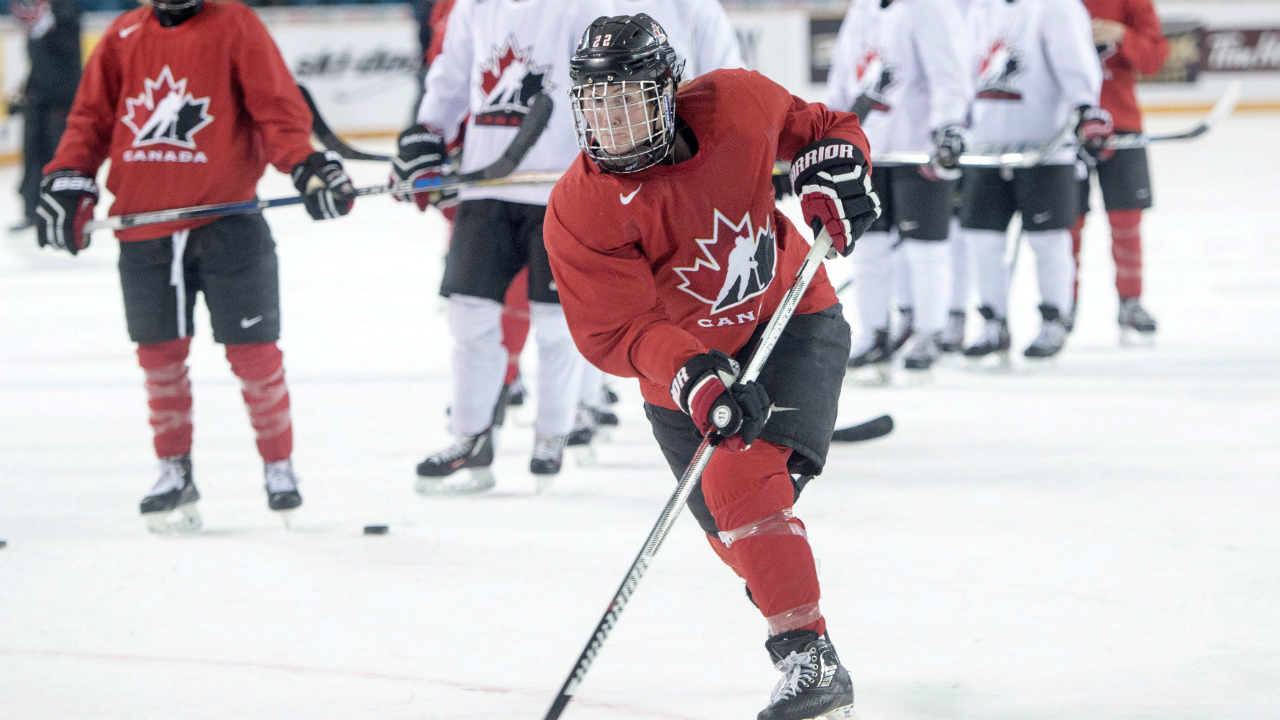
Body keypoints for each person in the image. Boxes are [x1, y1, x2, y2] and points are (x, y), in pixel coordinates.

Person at [543, 15, 880, 719]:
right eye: (596, 105)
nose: (612, 121)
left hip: (791, 316)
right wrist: (694, 373)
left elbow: (823, 128)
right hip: (682, 371)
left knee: (742, 479)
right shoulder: (581, 208)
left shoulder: (737, 103)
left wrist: (832, 173)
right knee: (739, 530)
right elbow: (620, 328)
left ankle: (809, 661)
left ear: (669, 91)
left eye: (629, 99)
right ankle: (798, 620)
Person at [37, 0, 357, 533]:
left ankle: (279, 465)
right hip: (143, 228)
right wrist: (70, 177)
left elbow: (277, 109)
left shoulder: (235, 24)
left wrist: (306, 165)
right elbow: (89, 121)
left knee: (255, 356)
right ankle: (173, 471)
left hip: (227, 221)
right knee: (160, 359)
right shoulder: (122, 36)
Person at [393, 0, 611, 491]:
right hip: (485, 185)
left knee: (556, 323)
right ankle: (471, 439)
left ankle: (550, 436)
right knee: (467, 315)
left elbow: (604, 86)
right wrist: (426, 133)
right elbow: (449, 77)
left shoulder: (583, 8)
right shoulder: (474, 6)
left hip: (559, 188)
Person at [566, 0, 746, 446]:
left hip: (685, 172)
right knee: (605, 299)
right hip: (606, 176)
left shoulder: (694, 8)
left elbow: (728, 86)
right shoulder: (581, 10)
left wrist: (737, 158)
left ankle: (762, 386)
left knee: (699, 290)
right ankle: (588, 396)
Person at [825, 0, 972, 377]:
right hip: (868, 150)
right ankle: (875, 332)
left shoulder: (929, 8)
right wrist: (829, 131)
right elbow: (843, 78)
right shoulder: (862, 10)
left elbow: (949, 72)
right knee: (869, 248)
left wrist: (949, 126)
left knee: (925, 250)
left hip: (916, 149)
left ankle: (928, 332)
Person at [960, 0, 1110, 362]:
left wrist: (1086, 108)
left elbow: (1076, 63)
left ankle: (1053, 318)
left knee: (1047, 240)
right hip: (984, 147)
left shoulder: (1056, 7)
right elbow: (962, 72)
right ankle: (992, 322)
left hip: (1044, 148)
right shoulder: (979, 9)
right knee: (983, 241)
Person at [1070, 0, 1168, 342]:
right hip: (1064, 127)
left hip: (1123, 124)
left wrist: (1121, 34)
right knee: (1067, 223)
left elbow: (1154, 59)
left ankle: (1131, 301)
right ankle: (1060, 305)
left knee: (1127, 220)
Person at [9, 0, 80, 232]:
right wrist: (26, 88)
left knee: (57, 157)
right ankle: (32, 210)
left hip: (60, 97)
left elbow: (67, 54)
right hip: (37, 97)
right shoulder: (35, 13)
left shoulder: (65, 8)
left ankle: (63, 211)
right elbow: (38, 58)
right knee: (32, 154)